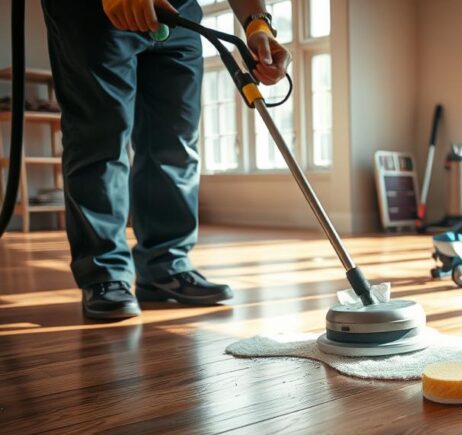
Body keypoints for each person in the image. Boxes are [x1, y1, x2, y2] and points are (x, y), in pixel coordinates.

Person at [41, 0, 291, 319]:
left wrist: (257, 24)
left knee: (176, 142)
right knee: (100, 137)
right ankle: (105, 274)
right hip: (95, 12)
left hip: (178, 11)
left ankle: (165, 267)